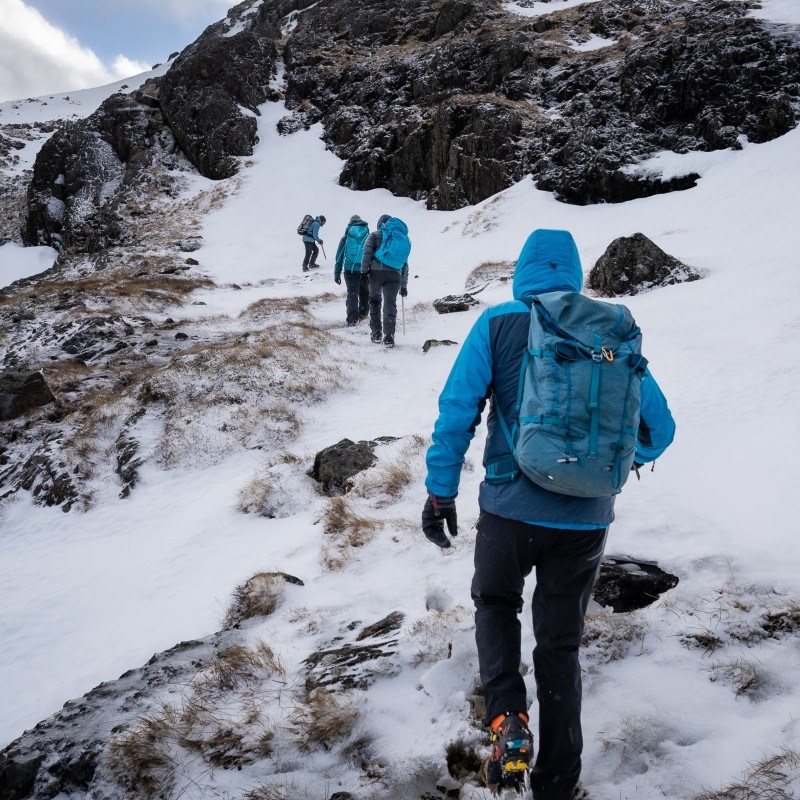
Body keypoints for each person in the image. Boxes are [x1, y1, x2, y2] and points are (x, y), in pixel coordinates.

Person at [421, 229, 675, 800]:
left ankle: (508, 721)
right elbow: (660, 429)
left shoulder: (498, 322)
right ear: (575, 274)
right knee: (559, 648)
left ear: (522, 271)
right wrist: (608, 468)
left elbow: (457, 411)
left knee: (496, 604)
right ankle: (558, 783)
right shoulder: (607, 330)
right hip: (584, 522)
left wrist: (441, 493)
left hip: (509, 512)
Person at [361, 214, 410, 348]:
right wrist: (403, 286)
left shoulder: (375, 235)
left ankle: (376, 333)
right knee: (390, 302)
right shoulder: (400, 239)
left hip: (376, 273)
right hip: (395, 275)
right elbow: (405, 265)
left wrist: (364, 271)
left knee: (375, 300)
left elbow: (367, 252)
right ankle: (389, 335)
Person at [334, 215, 370, 325]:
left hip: (350, 269)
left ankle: (352, 319)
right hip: (365, 269)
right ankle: (363, 314)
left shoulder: (347, 237)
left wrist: (337, 273)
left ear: (350, 223)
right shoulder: (368, 235)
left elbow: (340, 256)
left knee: (352, 293)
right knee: (365, 293)